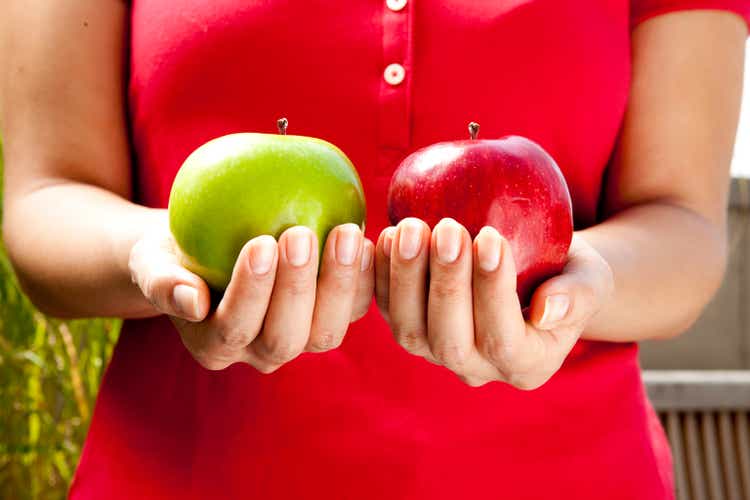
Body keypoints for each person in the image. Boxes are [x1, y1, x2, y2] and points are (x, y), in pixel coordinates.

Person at [1, 1, 748, 498]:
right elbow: (46, 202)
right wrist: (156, 258)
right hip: (182, 476)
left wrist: (586, 285)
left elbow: (682, 221)